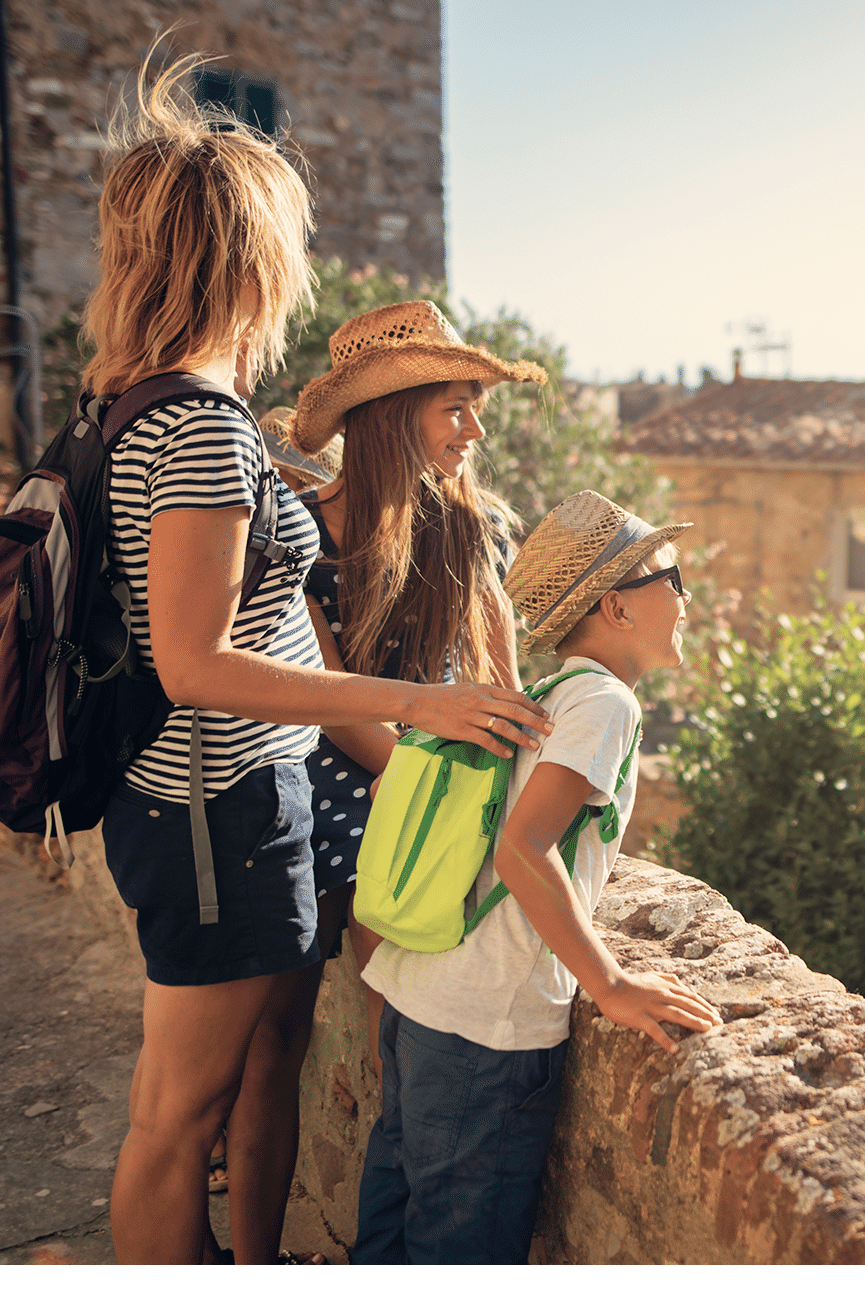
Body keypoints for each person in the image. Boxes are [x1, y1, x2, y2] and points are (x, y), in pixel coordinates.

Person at [83, 49, 553, 1266]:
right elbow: (195, 662)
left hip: (216, 803)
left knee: (188, 1103)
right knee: (176, 1118)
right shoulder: (191, 421)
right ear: (247, 257)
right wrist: (416, 701)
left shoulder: (143, 400)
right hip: (213, 804)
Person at [352, 490, 725, 1265]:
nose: (686, 598)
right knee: (460, 1250)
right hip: (489, 1024)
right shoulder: (606, 704)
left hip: (425, 991)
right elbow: (524, 850)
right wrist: (611, 984)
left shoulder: (549, 692)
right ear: (617, 608)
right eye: (672, 578)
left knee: (392, 1227)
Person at [285, 299, 542, 1074]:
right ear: (392, 416)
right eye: (456, 409)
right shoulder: (300, 533)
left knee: (408, 970)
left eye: (477, 410)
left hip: (434, 764)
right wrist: (422, 788)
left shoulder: (476, 529)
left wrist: (507, 786)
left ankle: (400, 1116)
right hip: (342, 764)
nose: (477, 431)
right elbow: (326, 693)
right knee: (283, 1016)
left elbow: (503, 678)